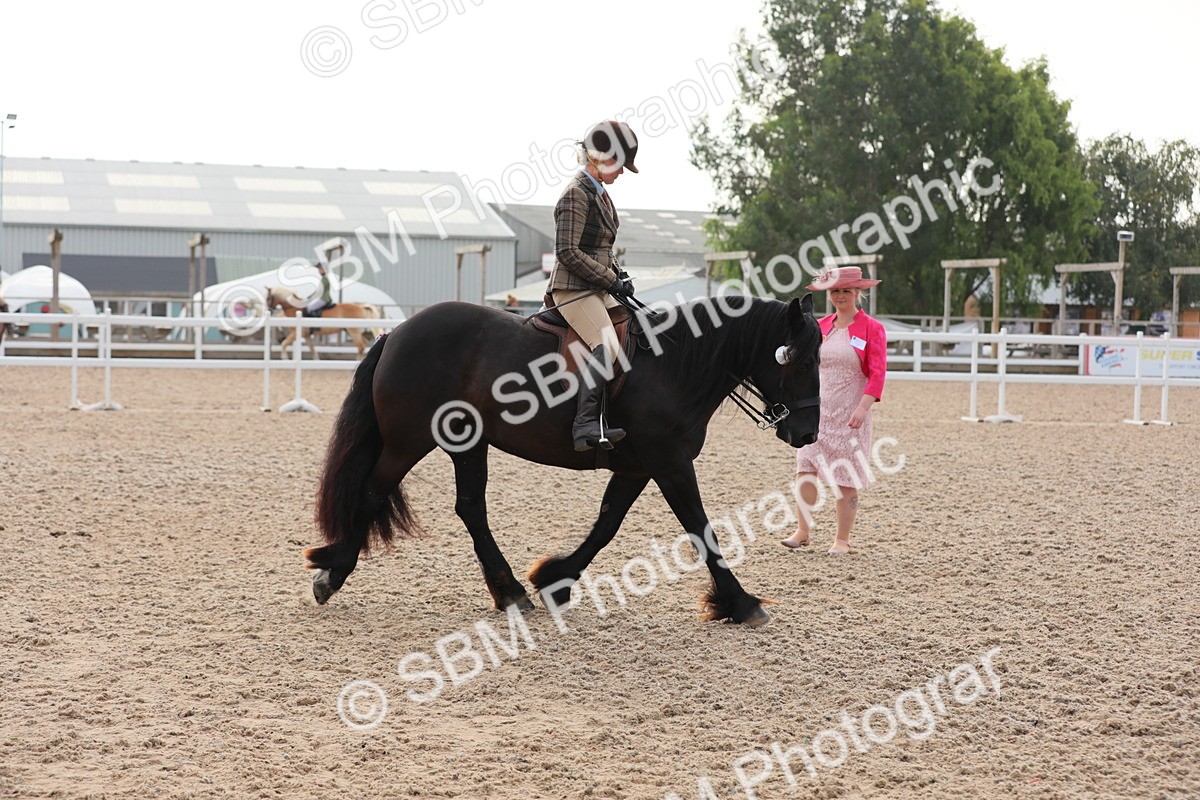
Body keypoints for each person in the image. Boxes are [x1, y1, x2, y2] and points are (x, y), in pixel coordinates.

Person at [545, 119, 639, 451]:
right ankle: (584, 424)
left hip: (595, 287)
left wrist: (619, 275)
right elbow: (568, 252)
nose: (623, 173)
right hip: (572, 289)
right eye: (620, 165)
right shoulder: (575, 193)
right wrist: (610, 279)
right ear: (600, 157)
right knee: (608, 343)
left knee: (639, 328)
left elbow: (600, 249)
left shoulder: (599, 194)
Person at [781, 266, 887, 554]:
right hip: (819, 411)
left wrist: (863, 408)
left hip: (852, 413)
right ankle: (802, 530)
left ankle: (842, 539)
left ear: (857, 293)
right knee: (805, 468)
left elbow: (877, 375)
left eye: (846, 290)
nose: (840, 295)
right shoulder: (821, 325)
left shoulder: (872, 328)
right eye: (836, 290)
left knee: (846, 478)